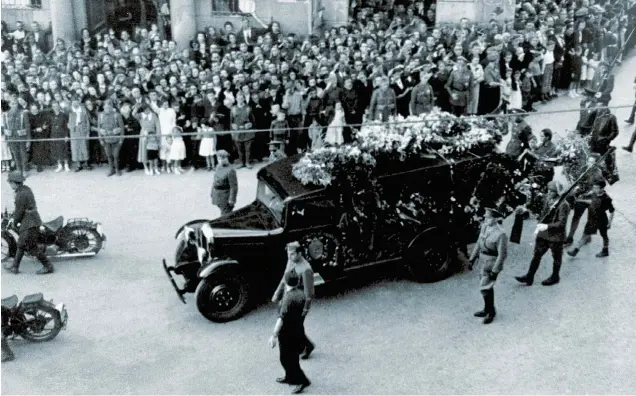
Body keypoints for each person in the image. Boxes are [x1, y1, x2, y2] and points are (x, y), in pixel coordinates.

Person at [515, 181, 570, 286]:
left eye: (552, 191)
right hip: (544, 233)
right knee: (537, 255)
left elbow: (561, 223)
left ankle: (555, 276)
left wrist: (547, 226)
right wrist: (527, 209)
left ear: (557, 192)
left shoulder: (563, 205)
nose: (548, 192)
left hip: (556, 236)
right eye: (548, 190)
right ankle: (529, 276)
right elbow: (541, 212)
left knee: (556, 258)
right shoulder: (548, 200)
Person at [268, 270, 311, 394]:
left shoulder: (288, 298)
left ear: (286, 282)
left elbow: (281, 319)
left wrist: (273, 335)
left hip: (287, 333)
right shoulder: (301, 294)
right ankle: (289, 377)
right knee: (289, 358)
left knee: (288, 359)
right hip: (297, 330)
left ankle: (302, 381)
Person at [3, 171, 54, 275]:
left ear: (14, 183)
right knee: (21, 244)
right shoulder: (25, 189)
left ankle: (48, 266)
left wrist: (14, 222)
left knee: (31, 247)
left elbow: (19, 211)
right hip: (33, 219)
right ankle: (14, 266)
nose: (10, 185)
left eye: (10, 183)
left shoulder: (20, 195)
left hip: (29, 223)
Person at [272, 242, 316, 360]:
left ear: (299, 253)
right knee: (295, 326)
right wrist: (277, 292)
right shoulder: (291, 261)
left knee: (294, 326)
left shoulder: (306, 269)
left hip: (297, 302)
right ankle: (305, 346)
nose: (289, 257)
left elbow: (309, 293)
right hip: (288, 297)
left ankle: (306, 346)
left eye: (291, 254)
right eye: (288, 254)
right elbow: (284, 278)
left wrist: (305, 309)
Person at [468, 207, 508, 325]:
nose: (485, 219)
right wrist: (472, 259)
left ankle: (491, 312)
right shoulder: (485, 227)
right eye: (485, 216)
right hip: (482, 261)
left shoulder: (501, 234)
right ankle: (487, 309)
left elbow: (502, 255)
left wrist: (495, 271)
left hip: (491, 263)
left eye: (488, 217)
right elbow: (478, 243)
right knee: (486, 287)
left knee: (485, 287)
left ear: (495, 219)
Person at [567, 180, 614, 258]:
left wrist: (609, 222)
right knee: (585, 235)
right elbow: (590, 198)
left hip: (602, 219)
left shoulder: (607, 199)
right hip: (592, 219)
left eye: (596, 188)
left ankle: (605, 250)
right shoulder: (593, 193)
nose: (594, 189)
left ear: (602, 188)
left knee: (604, 235)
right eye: (593, 187)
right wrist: (580, 197)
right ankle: (575, 251)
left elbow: (612, 211)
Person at [565, 154, 605, 245]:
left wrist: (590, 192)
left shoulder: (598, 173)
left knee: (590, 219)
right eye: (588, 161)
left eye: (592, 162)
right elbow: (578, 181)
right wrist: (577, 188)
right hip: (582, 197)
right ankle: (570, 238)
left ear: (596, 163)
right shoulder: (583, 169)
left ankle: (587, 237)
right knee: (576, 217)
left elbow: (600, 187)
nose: (589, 164)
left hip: (592, 198)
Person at [97, 99, 125, 176]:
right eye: (106, 108)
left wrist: (121, 140)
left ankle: (117, 169)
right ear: (103, 108)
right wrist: (101, 140)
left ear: (112, 107)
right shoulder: (101, 115)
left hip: (116, 139)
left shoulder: (117, 115)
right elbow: (99, 128)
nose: (107, 109)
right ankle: (111, 170)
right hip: (106, 140)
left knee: (116, 155)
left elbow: (122, 128)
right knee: (109, 155)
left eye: (109, 107)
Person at [211, 150, 237, 216]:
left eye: (223, 158)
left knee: (225, 215)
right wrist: (212, 192)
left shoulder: (230, 170)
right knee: (223, 212)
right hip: (217, 194)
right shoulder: (218, 167)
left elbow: (234, 187)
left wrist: (232, 199)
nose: (221, 160)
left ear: (227, 158)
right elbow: (214, 180)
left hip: (225, 196)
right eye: (219, 159)